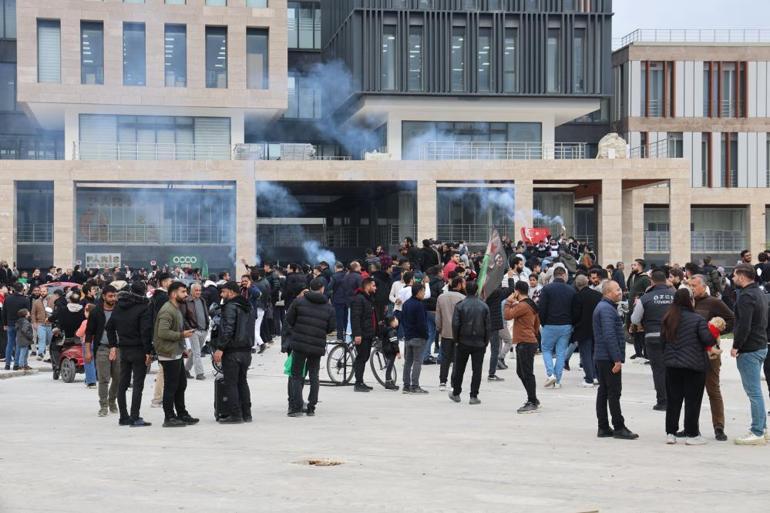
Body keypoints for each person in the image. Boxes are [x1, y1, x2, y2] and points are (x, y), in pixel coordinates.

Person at [660, 288, 715, 446]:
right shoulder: (697, 319)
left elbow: (662, 342)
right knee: (693, 401)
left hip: (672, 366)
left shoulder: (667, 318)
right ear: (690, 300)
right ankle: (691, 434)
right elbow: (708, 340)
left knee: (673, 400)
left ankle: (671, 433)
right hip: (694, 366)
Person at [690, 274, 735, 441]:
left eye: (694, 285)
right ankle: (691, 426)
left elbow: (732, 319)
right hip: (692, 353)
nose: (692, 288)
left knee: (713, 390)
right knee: (692, 392)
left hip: (711, 355)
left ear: (704, 286)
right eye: (690, 285)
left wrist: (716, 331)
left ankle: (719, 427)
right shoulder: (689, 303)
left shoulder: (714, 302)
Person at [592, 280, 638, 440]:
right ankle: (618, 427)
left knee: (604, 391)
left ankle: (603, 427)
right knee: (613, 392)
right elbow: (609, 335)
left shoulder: (606, 307)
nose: (620, 292)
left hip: (603, 356)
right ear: (608, 293)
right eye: (617, 289)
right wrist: (617, 359)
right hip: (608, 358)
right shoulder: (606, 309)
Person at [730, 263, 769, 445]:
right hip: (761, 344)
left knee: (753, 392)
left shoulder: (746, 297)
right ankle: (763, 428)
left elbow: (744, 324)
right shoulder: (759, 292)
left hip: (750, 348)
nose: (732, 278)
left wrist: (736, 345)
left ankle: (757, 431)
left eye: (735, 275)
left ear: (743, 276)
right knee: (756, 392)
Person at [285, 278, 335, 416]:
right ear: (322, 288)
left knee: (296, 375)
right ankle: (311, 406)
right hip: (317, 345)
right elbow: (331, 328)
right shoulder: (328, 306)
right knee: (314, 375)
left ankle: (296, 407)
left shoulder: (299, 301)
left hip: (299, 343)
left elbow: (289, 319)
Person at [106, 280, 153, 428]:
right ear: (144, 291)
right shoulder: (143, 307)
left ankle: (123, 416)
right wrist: (148, 351)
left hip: (124, 349)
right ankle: (135, 416)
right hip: (138, 349)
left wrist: (113, 344)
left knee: (123, 383)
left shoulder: (119, 306)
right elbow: (145, 331)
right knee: (138, 384)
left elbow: (109, 327)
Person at [153, 281, 198, 428]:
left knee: (181, 384)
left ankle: (182, 413)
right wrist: (182, 335)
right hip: (168, 353)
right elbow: (162, 332)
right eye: (183, 292)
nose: (186, 294)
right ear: (173, 294)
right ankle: (169, 417)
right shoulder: (167, 310)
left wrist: (182, 346)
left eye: (186, 292)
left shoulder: (176, 308)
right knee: (171, 386)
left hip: (176, 351)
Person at [630, 270, 675, 411]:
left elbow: (634, 319)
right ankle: (674, 400)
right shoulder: (676, 296)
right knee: (672, 369)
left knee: (658, 370)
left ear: (652, 282)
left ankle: (662, 402)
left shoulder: (646, 298)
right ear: (666, 280)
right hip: (672, 337)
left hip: (653, 337)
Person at [214, 282, 255, 424]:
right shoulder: (248, 306)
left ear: (231, 292)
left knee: (231, 383)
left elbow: (228, 329)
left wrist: (220, 348)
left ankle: (236, 415)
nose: (221, 295)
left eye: (223, 292)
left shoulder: (230, 306)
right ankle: (247, 414)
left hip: (233, 351)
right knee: (242, 381)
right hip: (246, 350)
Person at [449, 281, 490, 405]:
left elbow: (455, 324)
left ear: (466, 290)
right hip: (479, 342)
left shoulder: (460, 305)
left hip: (463, 341)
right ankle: (473, 395)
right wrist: (485, 342)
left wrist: (456, 340)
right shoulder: (484, 306)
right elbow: (488, 326)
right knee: (477, 370)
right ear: (477, 290)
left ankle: (456, 393)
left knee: (459, 368)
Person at [504, 281, 541, 413]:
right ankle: (533, 398)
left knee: (527, 373)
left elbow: (507, 315)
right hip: (528, 340)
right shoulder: (531, 304)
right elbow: (537, 324)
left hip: (525, 342)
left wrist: (508, 302)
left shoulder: (523, 305)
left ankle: (532, 400)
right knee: (521, 372)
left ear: (517, 292)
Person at [537, 266, 575, 388]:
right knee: (561, 353)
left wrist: (543, 323)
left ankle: (550, 374)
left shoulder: (547, 289)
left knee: (546, 349)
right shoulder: (571, 290)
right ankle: (557, 381)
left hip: (550, 324)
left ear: (554, 275)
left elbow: (542, 308)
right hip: (566, 325)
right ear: (564, 275)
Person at [85, 285, 119, 418]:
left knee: (118, 377)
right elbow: (89, 333)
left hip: (118, 348)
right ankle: (103, 405)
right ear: (104, 296)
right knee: (104, 379)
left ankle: (112, 401)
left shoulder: (119, 310)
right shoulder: (96, 312)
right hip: (102, 348)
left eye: (115, 295)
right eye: (110, 296)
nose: (113, 298)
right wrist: (87, 351)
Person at [571, 274, 602, 388]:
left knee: (585, 354)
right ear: (587, 282)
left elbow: (575, 315)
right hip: (597, 328)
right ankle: (596, 376)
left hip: (583, 329)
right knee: (595, 353)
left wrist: (574, 325)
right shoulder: (598, 295)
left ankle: (589, 378)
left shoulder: (577, 297)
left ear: (576, 284)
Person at [435, 276, 465, 391]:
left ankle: (442, 381)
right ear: (458, 285)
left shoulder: (441, 298)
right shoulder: (463, 298)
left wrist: (440, 329)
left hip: (445, 332)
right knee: (457, 360)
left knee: (445, 358)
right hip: (459, 334)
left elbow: (438, 317)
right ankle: (454, 383)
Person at [350, 277, 378, 392]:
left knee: (364, 357)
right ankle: (358, 383)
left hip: (368, 333)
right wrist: (357, 334)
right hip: (362, 333)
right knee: (361, 357)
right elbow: (355, 318)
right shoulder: (359, 299)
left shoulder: (368, 298)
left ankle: (360, 381)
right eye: (373, 285)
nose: (375, 288)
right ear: (367, 286)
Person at [401, 283, 429, 394]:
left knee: (408, 361)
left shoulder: (406, 304)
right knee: (417, 361)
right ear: (418, 292)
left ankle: (406, 385)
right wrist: (425, 335)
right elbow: (422, 323)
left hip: (408, 336)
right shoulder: (419, 305)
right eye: (423, 291)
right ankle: (415, 385)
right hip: (418, 336)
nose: (424, 293)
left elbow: (402, 319)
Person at [180, 283, 209, 380]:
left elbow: (205, 313)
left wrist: (207, 326)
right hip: (194, 331)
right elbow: (182, 317)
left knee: (194, 351)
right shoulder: (186, 301)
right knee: (197, 352)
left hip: (204, 330)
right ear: (191, 291)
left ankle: (186, 370)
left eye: (200, 290)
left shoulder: (202, 300)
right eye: (196, 290)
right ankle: (199, 373)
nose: (198, 292)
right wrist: (190, 328)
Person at [2, 282, 30, 371]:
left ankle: (7, 364)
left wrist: (5, 324)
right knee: (18, 344)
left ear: (13, 289)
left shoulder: (7, 299)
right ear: (22, 289)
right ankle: (16, 364)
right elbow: (27, 313)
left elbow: (4, 313)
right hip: (21, 324)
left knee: (9, 344)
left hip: (10, 324)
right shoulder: (25, 300)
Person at [76, 304, 97, 388]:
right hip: (97, 342)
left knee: (88, 362)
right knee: (95, 362)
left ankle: (91, 382)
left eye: (85, 311)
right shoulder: (99, 321)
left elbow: (79, 333)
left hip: (87, 343)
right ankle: (89, 378)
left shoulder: (85, 322)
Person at [381, 316, 401, 391]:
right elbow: (394, 343)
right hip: (391, 350)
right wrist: (397, 352)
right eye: (396, 319)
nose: (397, 320)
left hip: (386, 349)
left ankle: (389, 381)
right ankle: (388, 382)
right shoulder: (392, 331)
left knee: (389, 366)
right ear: (392, 322)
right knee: (389, 366)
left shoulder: (386, 329)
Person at [329, 262, 348, 342]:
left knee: (339, 319)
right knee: (346, 319)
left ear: (336, 267)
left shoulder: (334, 276)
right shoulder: (347, 275)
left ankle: (340, 337)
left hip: (338, 300)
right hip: (347, 300)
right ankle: (347, 336)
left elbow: (329, 287)